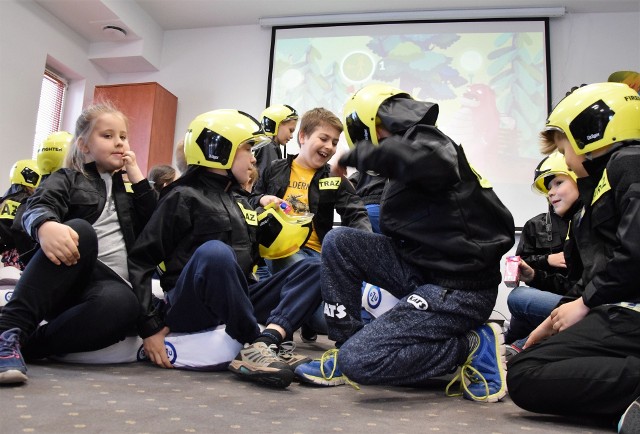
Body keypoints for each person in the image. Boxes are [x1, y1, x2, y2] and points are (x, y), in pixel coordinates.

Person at [293, 83, 515, 403]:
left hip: (458, 291)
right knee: (339, 241)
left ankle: (471, 344)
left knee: (361, 362)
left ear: (368, 124)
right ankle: (344, 347)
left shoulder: (429, 143)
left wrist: (358, 154)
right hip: (426, 270)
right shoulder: (414, 148)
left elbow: (422, 162)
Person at [127, 109, 323, 389]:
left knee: (315, 267)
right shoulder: (181, 197)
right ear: (220, 150)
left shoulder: (241, 199)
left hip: (238, 296)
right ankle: (252, 344)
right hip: (193, 303)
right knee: (214, 253)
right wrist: (149, 328)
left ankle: (266, 342)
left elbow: (253, 257)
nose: (254, 158)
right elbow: (140, 261)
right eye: (247, 149)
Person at [505, 82, 640, 432]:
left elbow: (634, 255)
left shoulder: (628, 165)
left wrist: (583, 304)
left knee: (525, 374)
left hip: (626, 312)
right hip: (614, 309)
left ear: (591, 136)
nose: (564, 159)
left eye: (565, 148)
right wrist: (565, 313)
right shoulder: (610, 180)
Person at [0, 102, 157, 385]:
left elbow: (156, 225)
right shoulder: (69, 178)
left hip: (104, 288)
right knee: (81, 231)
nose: (119, 142)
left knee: (124, 303)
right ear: (84, 146)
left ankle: (31, 345)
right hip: (69, 278)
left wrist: (138, 178)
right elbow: (37, 204)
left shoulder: (131, 193)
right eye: (107, 136)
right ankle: (8, 329)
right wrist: (45, 225)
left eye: (123, 136)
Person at [250, 107, 371, 274]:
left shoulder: (332, 178)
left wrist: (366, 247)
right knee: (304, 270)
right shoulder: (275, 168)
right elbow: (249, 199)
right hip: (276, 251)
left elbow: (356, 213)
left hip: (315, 255)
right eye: (323, 138)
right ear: (302, 136)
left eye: (335, 143)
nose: (329, 147)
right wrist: (261, 199)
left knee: (314, 272)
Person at [504, 151, 582, 346]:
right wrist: (538, 270)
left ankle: (512, 348)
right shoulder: (537, 224)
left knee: (519, 298)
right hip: (575, 298)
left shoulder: (586, 223)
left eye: (558, 183)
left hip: (590, 306)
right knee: (520, 306)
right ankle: (512, 347)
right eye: (548, 188)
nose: (551, 192)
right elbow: (573, 285)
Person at [0, 160, 41, 270]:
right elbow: (19, 229)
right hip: (22, 255)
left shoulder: (5, 200)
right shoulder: (26, 200)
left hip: (8, 257)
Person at [254, 104, 298, 176]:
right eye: (290, 130)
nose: (291, 136)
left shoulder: (269, 146)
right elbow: (271, 181)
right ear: (275, 125)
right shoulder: (268, 147)